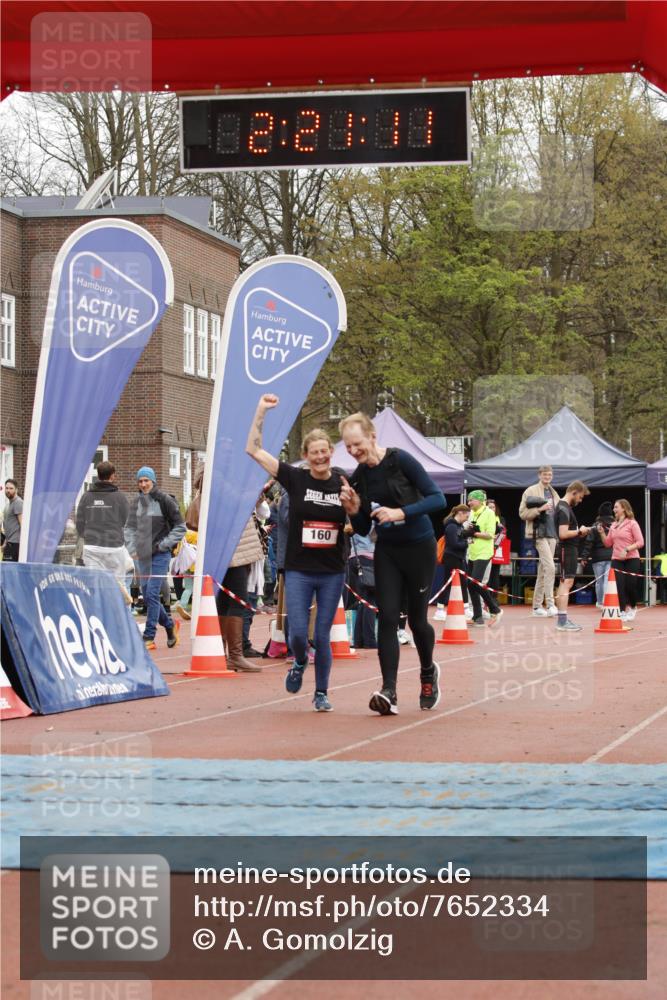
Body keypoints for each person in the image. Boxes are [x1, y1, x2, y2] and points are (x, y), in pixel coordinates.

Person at [246, 394, 355, 712]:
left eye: (325, 452)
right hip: (299, 569)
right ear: (306, 456)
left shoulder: (342, 483)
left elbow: (355, 520)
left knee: (322, 635)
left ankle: (321, 692)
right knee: (296, 633)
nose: (320, 457)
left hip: (332, 569)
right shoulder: (296, 478)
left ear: (330, 454)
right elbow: (253, 449)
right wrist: (260, 410)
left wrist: (352, 510)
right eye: (314, 453)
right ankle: (297, 664)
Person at [339, 412, 446, 716]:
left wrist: (401, 512)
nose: (353, 451)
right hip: (387, 549)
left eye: (356, 443)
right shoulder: (359, 476)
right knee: (386, 617)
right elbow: (361, 527)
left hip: (419, 547)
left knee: (416, 619)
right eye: (348, 447)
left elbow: (437, 499)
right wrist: (352, 508)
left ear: (372, 436)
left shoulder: (401, 460)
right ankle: (389, 691)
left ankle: (428, 672)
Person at [124, 466, 185, 651]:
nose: (143, 484)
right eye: (140, 481)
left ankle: (149, 636)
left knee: (151, 594)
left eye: (146, 480)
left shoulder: (165, 501)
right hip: (142, 555)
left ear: (153, 481)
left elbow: (180, 527)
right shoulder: (136, 504)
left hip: (160, 554)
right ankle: (169, 626)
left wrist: (164, 544)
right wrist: (132, 548)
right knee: (149, 595)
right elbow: (129, 528)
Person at [75, 461, 130, 586]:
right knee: (118, 585)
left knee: (93, 586)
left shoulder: (86, 497)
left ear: (98, 475)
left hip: (92, 547)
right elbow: (127, 520)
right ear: (112, 476)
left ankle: (96, 605)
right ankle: (117, 605)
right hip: (114, 546)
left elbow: (79, 522)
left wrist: (86, 535)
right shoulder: (120, 497)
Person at [519, 465, 561, 617]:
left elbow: (558, 512)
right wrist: (540, 509)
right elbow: (522, 513)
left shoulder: (553, 492)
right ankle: (550, 604)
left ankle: (537, 607)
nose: (547, 477)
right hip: (539, 533)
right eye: (544, 474)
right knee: (550, 568)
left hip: (552, 534)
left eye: (549, 474)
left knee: (543, 570)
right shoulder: (530, 491)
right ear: (539, 475)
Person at [554, 480, 591, 631]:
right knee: (566, 583)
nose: (580, 501)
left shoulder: (565, 507)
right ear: (574, 492)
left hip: (569, 548)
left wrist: (580, 533)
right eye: (580, 497)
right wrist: (580, 531)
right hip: (567, 549)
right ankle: (562, 621)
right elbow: (563, 534)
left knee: (565, 582)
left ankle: (562, 619)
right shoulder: (563, 508)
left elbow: (567, 533)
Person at [599, 499, 644, 621]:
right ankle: (622, 611)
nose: (614, 510)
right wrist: (602, 533)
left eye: (616, 507)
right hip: (617, 559)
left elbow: (640, 542)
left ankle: (633, 607)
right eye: (614, 508)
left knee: (630, 585)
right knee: (619, 586)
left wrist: (627, 549)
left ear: (624, 508)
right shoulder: (613, 525)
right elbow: (608, 543)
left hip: (632, 559)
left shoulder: (632, 523)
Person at [466, 490, 503, 628]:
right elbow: (471, 531)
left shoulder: (489, 513)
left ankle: (495, 609)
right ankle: (477, 617)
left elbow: (490, 534)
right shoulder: (472, 514)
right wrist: (466, 534)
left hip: (484, 552)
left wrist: (474, 533)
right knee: (470, 584)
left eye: (472, 500)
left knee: (476, 582)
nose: (469, 503)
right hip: (473, 552)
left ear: (481, 501)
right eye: (468, 500)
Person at [580, 501, 614, 608]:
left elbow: (588, 543)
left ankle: (600, 602)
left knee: (599, 581)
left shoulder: (595, 526)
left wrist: (584, 557)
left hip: (597, 558)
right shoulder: (615, 525)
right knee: (607, 580)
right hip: (611, 556)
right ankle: (606, 602)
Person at [439, 504, 474, 607]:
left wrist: (469, 532)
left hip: (459, 558)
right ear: (460, 513)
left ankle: (465, 607)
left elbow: (461, 537)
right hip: (451, 557)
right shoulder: (451, 527)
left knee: (463, 582)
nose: (467, 519)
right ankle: (440, 608)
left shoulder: (460, 526)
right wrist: (467, 543)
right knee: (448, 583)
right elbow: (453, 544)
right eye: (466, 516)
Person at [485, 498, 507, 597]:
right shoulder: (483, 518)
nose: (492, 509)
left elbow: (503, 533)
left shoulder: (500, 519)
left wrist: (500, 529)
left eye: (493, 507)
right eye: (489, 507)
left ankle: (494, 598)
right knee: (486, 575)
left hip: (496, 549)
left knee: (495, 574)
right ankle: (485, 597)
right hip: (485, 549)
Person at [2, 479, 23, 562]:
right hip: (9, 543)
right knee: (6, 571)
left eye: (11, 488)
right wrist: (5, 543)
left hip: (15, 544)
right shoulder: (8, 505)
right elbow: (9, 527)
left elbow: (23, 525)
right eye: (6, 488)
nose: (8, 490)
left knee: (8, 571)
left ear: (16, 489)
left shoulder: (18, 502)